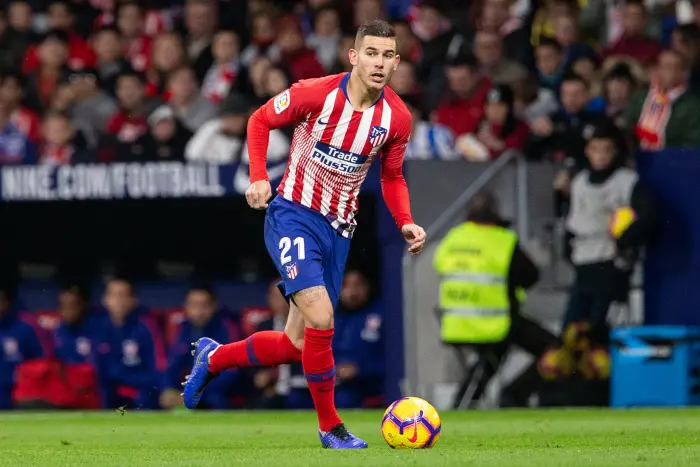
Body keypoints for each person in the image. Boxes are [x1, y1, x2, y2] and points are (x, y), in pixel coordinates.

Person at [183, 19, 426, 449]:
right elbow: (259, 121)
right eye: (371, 53)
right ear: (353, 56)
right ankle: (331, 427)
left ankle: (214, 356)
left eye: (387, 55)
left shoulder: (397, 118)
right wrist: (258, 176)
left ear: (396, 63)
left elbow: (391, 177)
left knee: (297, 343)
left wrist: (404, 219)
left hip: (339, 230)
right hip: (293, 214)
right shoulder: (316, 93)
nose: (379, 62)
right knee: (321, 317)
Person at [433, 190, 559, 407]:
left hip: (455, 323)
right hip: (494, 322)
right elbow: (530, 275)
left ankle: (465, 404)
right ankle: (513, 395)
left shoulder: (453, 238)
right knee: (554, 349)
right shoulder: (502, 240)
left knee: (490, 358)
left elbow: (440, 266)